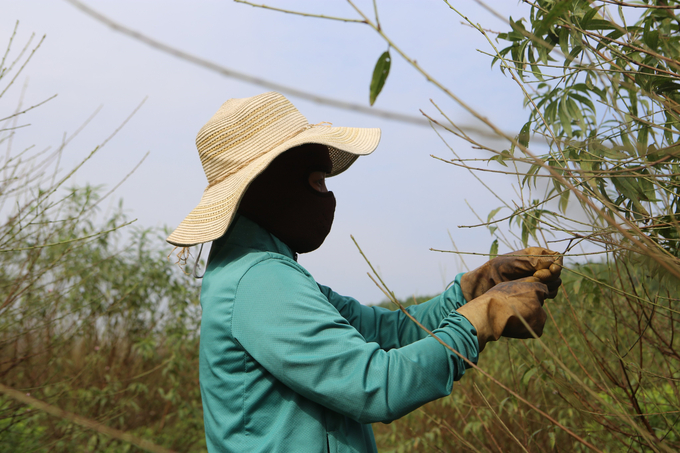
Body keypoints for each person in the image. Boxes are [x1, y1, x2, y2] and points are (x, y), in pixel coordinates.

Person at [167, 92, 563, 453]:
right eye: (317, 181)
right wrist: (483, 317)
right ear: (275, 186)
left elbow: (390, 331)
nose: (326, 196)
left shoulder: (267, 273)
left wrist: (478, 288)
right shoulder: (258, 281)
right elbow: (375, 385)